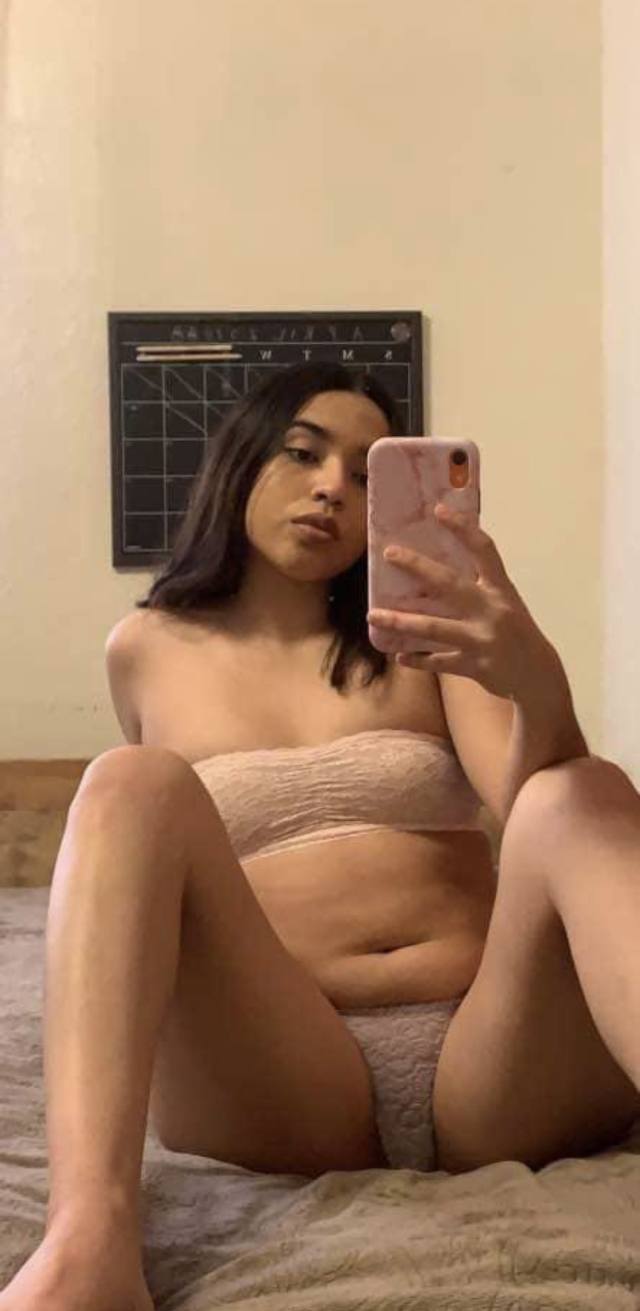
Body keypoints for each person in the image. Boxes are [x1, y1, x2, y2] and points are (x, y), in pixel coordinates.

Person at [2, 362, 639, 1311]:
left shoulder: (422, 633)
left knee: (581, 791)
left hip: (495, 1060)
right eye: (304, 453)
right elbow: (149, 857)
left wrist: (535, 681)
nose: (336, 486)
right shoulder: (144, 648)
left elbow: (536, 809)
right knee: (129, 782)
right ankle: (89, 1239)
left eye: (371, 473)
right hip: (286, 1074)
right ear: (241, 461)